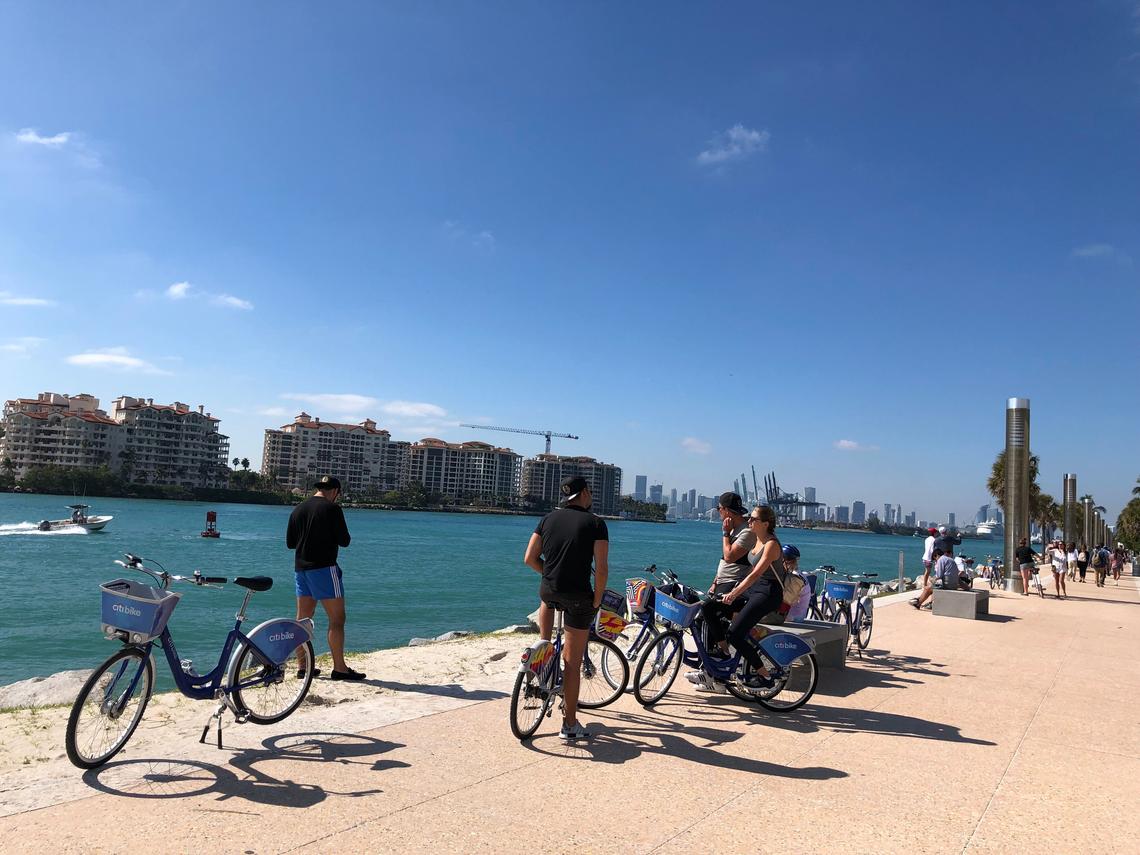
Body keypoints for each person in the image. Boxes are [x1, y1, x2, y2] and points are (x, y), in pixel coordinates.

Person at [523, 475, 608, 741]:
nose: (591, 496)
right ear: (583, 494)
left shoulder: (548, 519)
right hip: (578, 596)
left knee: (548, 618)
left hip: (548, 590)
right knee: (572, 663)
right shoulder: (596, 523)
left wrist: (548, 574)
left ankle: (542, 650)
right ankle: (569, 724)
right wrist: (597, 598)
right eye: (590, 492)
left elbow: (529, 558)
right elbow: (602, 569)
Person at [286, 475, 365, 681]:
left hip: (301, 568)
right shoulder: (333, 509)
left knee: (302, 620)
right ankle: (340, 668)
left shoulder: (298, 509)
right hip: (324, 569)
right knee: (337, 620)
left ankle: (303, 667)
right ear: (335, 491)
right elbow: (344, 540)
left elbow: (291, 543)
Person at [700, 504, 786, 689]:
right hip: (753, 590)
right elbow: (734, 560)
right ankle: (724, 653)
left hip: (768, 593)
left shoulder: (771, 544)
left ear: (765, 523)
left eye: (753, 519)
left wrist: (733, 593)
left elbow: (755, 574)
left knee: (735, 634)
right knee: (708, 607)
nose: (749, 521)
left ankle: (765, 677)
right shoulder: (756, 539)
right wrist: (719, 582)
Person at [689, 492, 756, 692]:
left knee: (708, 608)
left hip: (736, 587)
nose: (718, 513)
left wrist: (725, 533)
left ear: (726, 510)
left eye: (719, 509)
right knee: (701, 620)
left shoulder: (746, 532)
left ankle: (723, 655)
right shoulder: (738, 529)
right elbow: (726, 563)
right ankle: (711, 671)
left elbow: (729, 556)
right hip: (724, 584)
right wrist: (715, 581)